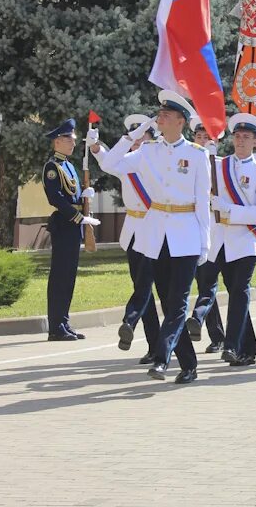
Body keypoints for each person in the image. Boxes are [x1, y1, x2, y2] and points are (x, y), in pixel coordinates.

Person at [107, 90, 211, 384]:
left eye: (166, 114)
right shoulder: (148, 150)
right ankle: (189, 365)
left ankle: (163, 359)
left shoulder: (197, 155)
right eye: (160, 113)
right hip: (155, 235)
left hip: (186, 233)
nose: (159, 117)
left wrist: (205, 242)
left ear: (180, 121)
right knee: (167, 302)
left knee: (177, 302)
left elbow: (202, 201)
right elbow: (110, 164)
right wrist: (131, 137)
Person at [202, 113, 256, 367]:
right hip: (219, 239)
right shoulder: (217, 165)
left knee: (240, 291)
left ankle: (231, 345)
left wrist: (229, 209)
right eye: (238, 136)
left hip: (246, 240)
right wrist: (205, 154)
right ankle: (248, 348)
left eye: (247, 137)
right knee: (232, 292)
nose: (241, 141)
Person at [89, 115, 161, 363]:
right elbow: (108, 163)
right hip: (133, 230)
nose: (137, 143)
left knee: (151, 286)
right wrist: (97, 148)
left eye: (143, 137)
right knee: (143, 290)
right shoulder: (128, 164)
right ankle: (154, 346)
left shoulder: (159, 162)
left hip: (155, 229)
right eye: (135, 139)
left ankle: (131, 321)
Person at [42, 119, 100, 342]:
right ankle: (55, 326)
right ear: (58, 141)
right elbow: (55, 198)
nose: (73, 143)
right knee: (60, 276)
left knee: (69, 277)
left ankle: (64, 322)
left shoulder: (70, 166)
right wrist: (77, 217)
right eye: (69, 139)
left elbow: (74, 194)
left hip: (74, 225)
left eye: (74, 140)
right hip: (65, 223)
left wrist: (85, 196)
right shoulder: (52, 167)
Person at [185, 117, 226, 353]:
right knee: (203, 282)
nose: (202, 141)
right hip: (192, 229)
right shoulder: (186, 165)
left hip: (217, 230)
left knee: (208, 281)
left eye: (207, 137)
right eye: (199, 137)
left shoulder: (221, 164)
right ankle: (217, 335)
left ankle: (204, 324)